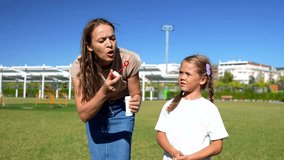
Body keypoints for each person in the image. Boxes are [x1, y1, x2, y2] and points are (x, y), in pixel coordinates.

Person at [71, 18, 142, 160]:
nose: (109, 44)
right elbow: (84, 115)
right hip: (94, 110)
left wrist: (136, 101)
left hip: (121, 110)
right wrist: (104, 91)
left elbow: (135, 93)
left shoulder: (129, 59)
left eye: (112, 38)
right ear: (89, 46)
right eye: (102, 40)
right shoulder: (79, 67)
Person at [155, 55, 229, 160]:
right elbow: (160, 135)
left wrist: (190, 158)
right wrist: (174, 153)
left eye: (188, 74)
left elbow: (217, 145)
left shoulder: (209, 109)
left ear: (202, 79)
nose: (182, 77)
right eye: (181, 72)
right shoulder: (170, 105)